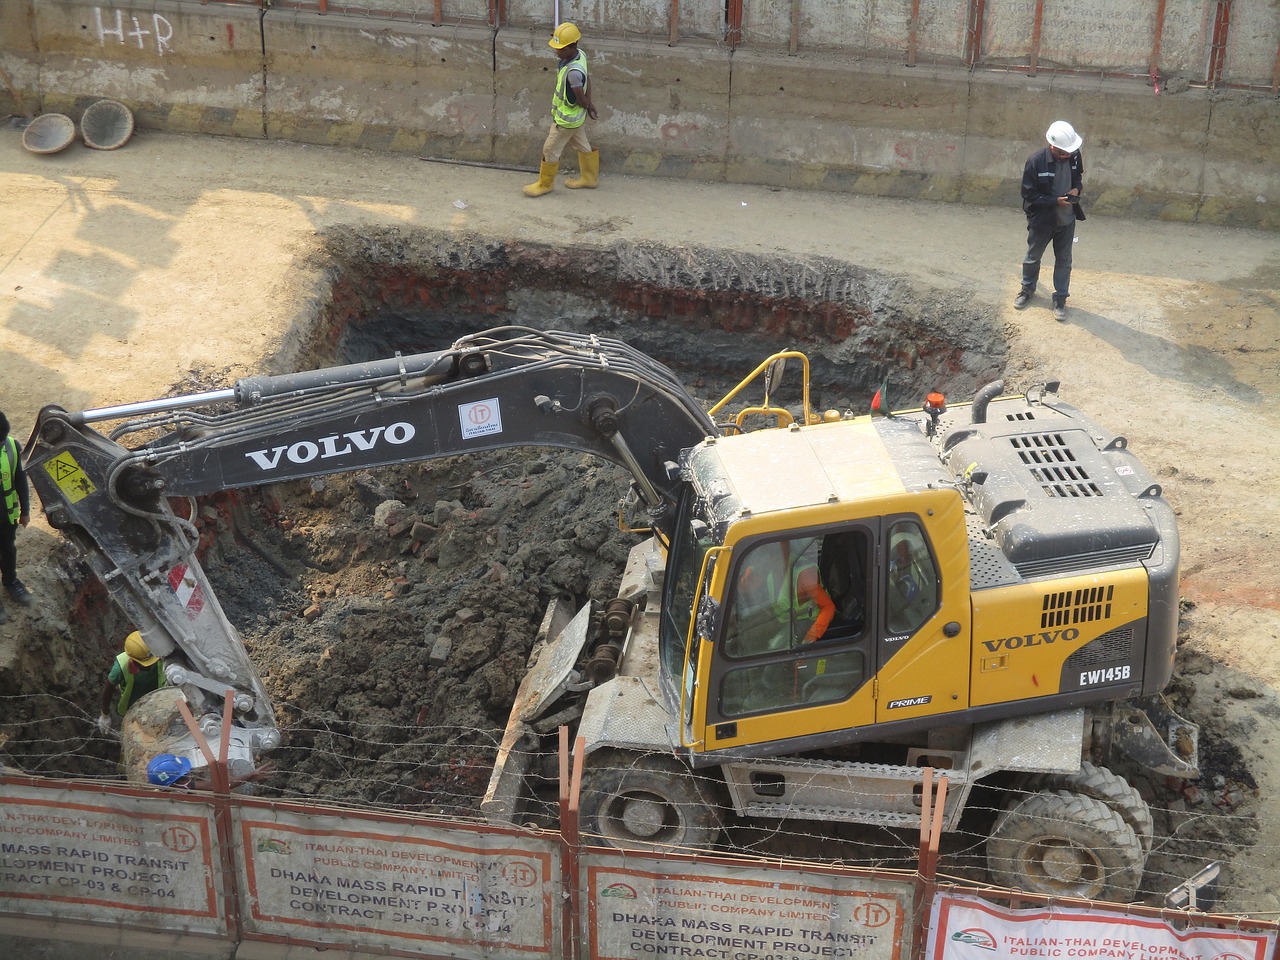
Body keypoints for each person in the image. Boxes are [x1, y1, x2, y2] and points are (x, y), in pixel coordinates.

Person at [1015, 120, 1086, 322]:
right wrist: (1054, 201)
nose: (1068, 156)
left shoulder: (1073, 155)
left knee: (1064, 261)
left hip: (1067, 220)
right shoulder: (1035, 161)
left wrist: (1076, 189)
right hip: (1042, 221)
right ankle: (1027, 289)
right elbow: (1028, 194)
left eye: (1070, 152)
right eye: (1064, 153)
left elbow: (1078, 177)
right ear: (1053, 147)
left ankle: (1060, 298)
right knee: (1032, 256)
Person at [523, 22, 600, 198]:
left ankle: (545, 184)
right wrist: (589, 104)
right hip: (576, 118)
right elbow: (587, 79)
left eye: (560, 48)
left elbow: (579, 96)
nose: (556, 51)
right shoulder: (580, 56)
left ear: (573, 46)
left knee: (550, 149)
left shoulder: (572, 72)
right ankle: (589, 178)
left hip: (565, 121)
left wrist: (587, 104)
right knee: (582, 144)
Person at [97, 631, 166, 734]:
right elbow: (109, 688)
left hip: (159, 699)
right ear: (134, 660)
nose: (149, 665)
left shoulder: (158, 654)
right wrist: (105, 715)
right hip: (133, 705)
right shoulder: (121, 667)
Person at [0, 411, 33, 625]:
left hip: (6, 515)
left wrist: (25, 511)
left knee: (8, 549)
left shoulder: (11, 446)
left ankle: (11, 580)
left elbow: (20, 479)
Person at [147, 753, 273, 791]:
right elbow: (217, 786)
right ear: (172, 783)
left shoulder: (159, 795)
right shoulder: (183, 788)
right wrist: (251, 774)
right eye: (183, 777)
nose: (188, 778)